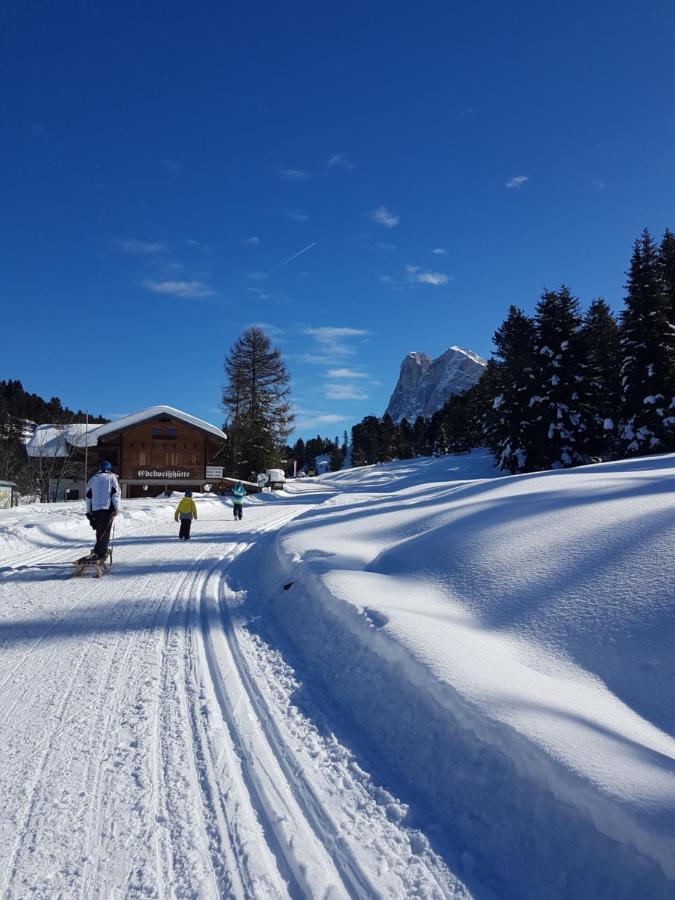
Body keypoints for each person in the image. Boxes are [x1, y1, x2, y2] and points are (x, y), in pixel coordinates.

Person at [84, 460, 120, 561]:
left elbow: (88, 496)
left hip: (95, 509)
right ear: (109, 468)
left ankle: (99, 550)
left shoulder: (93, 479)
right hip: (108, 508)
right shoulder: (112, 478)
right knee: (106, 530)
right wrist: (116, 508)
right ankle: (101, 551)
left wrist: (89, 511)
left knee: (100, 530)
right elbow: (116, 494)